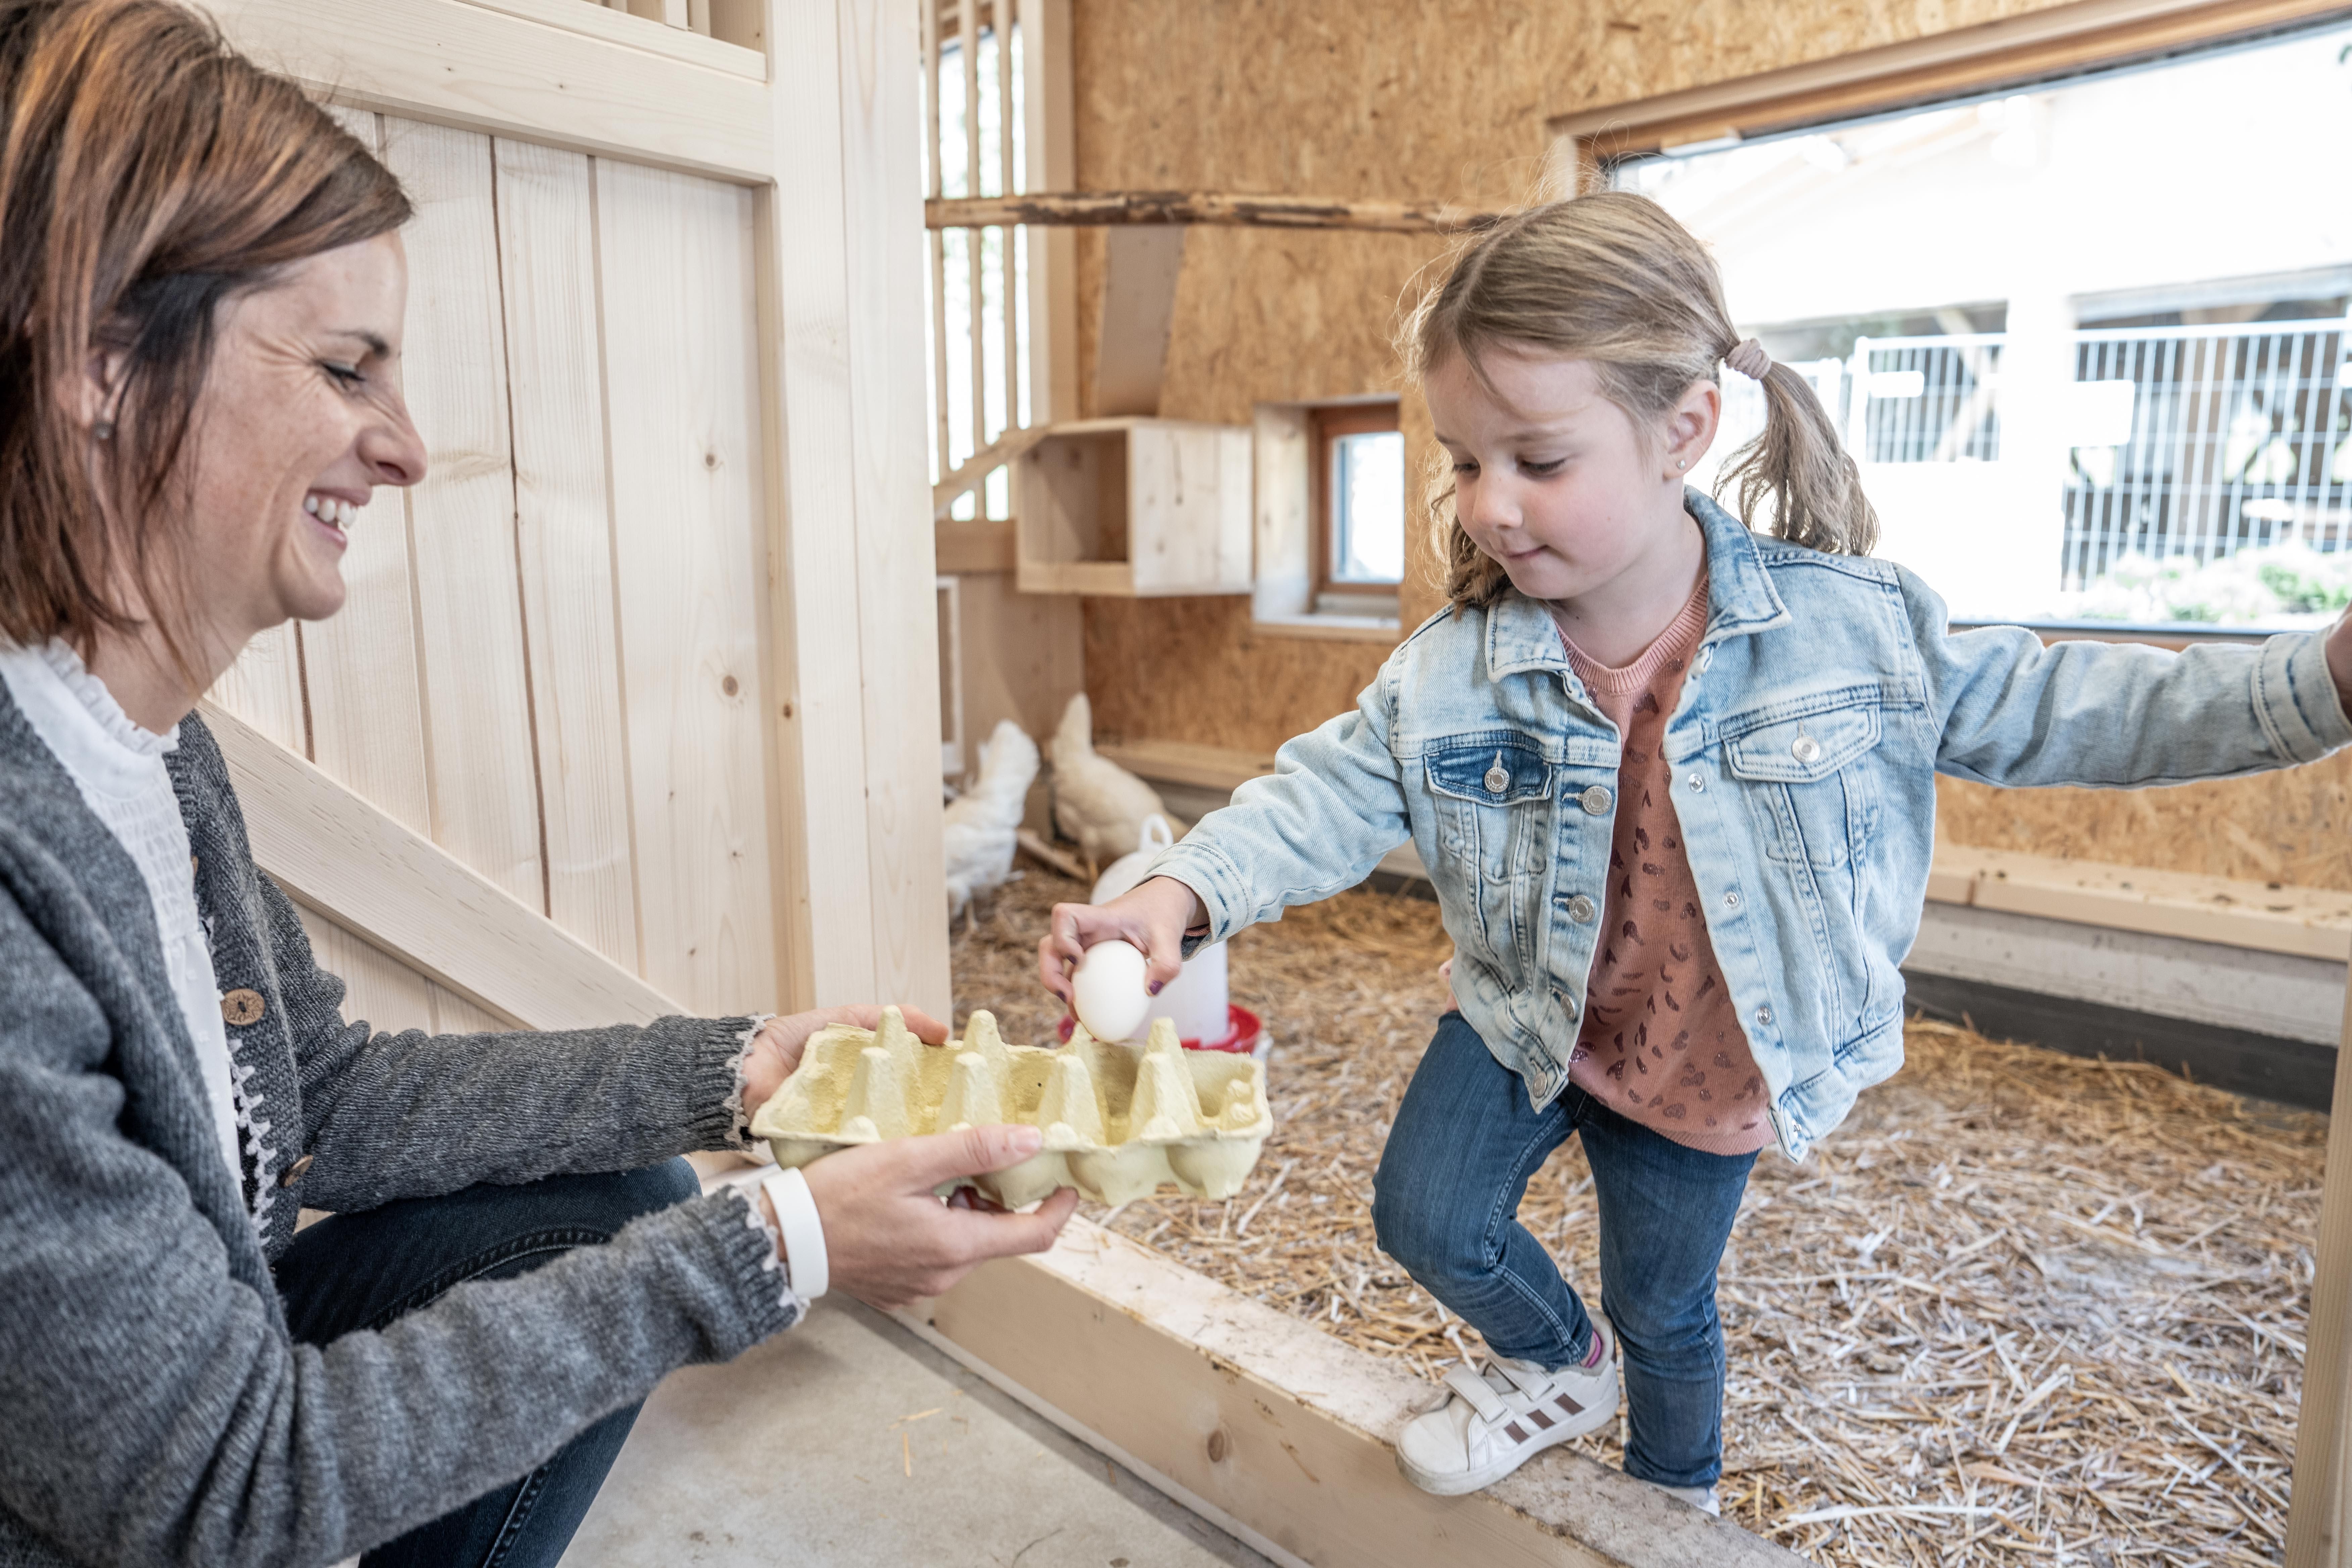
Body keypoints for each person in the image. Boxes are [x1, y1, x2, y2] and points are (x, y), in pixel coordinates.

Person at [1040, 191, 2352, 1514]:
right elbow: (1319, 795)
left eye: (1538, 460)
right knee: (1424, 1217)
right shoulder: (1454, 668)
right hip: (1525, 1013)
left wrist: (2318, 681)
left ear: (1684, 430)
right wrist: (1178, 891)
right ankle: (1562, 1362)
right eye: (1463, 461)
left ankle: (1673, 1504)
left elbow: (2075, 707)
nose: (1490, 505)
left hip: (1704, 1062)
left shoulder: (1848, 632)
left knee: (1665, 1305)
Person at [0, 3, 1078, 1564]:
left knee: (618, 1193)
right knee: (659, 1239)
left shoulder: (151, 759)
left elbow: (322, 1100)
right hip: (159, 1510)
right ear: (103, 360)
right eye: (346, 368)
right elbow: (225, 1493)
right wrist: (778, 1249)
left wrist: (737, 1073)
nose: (404, 447)